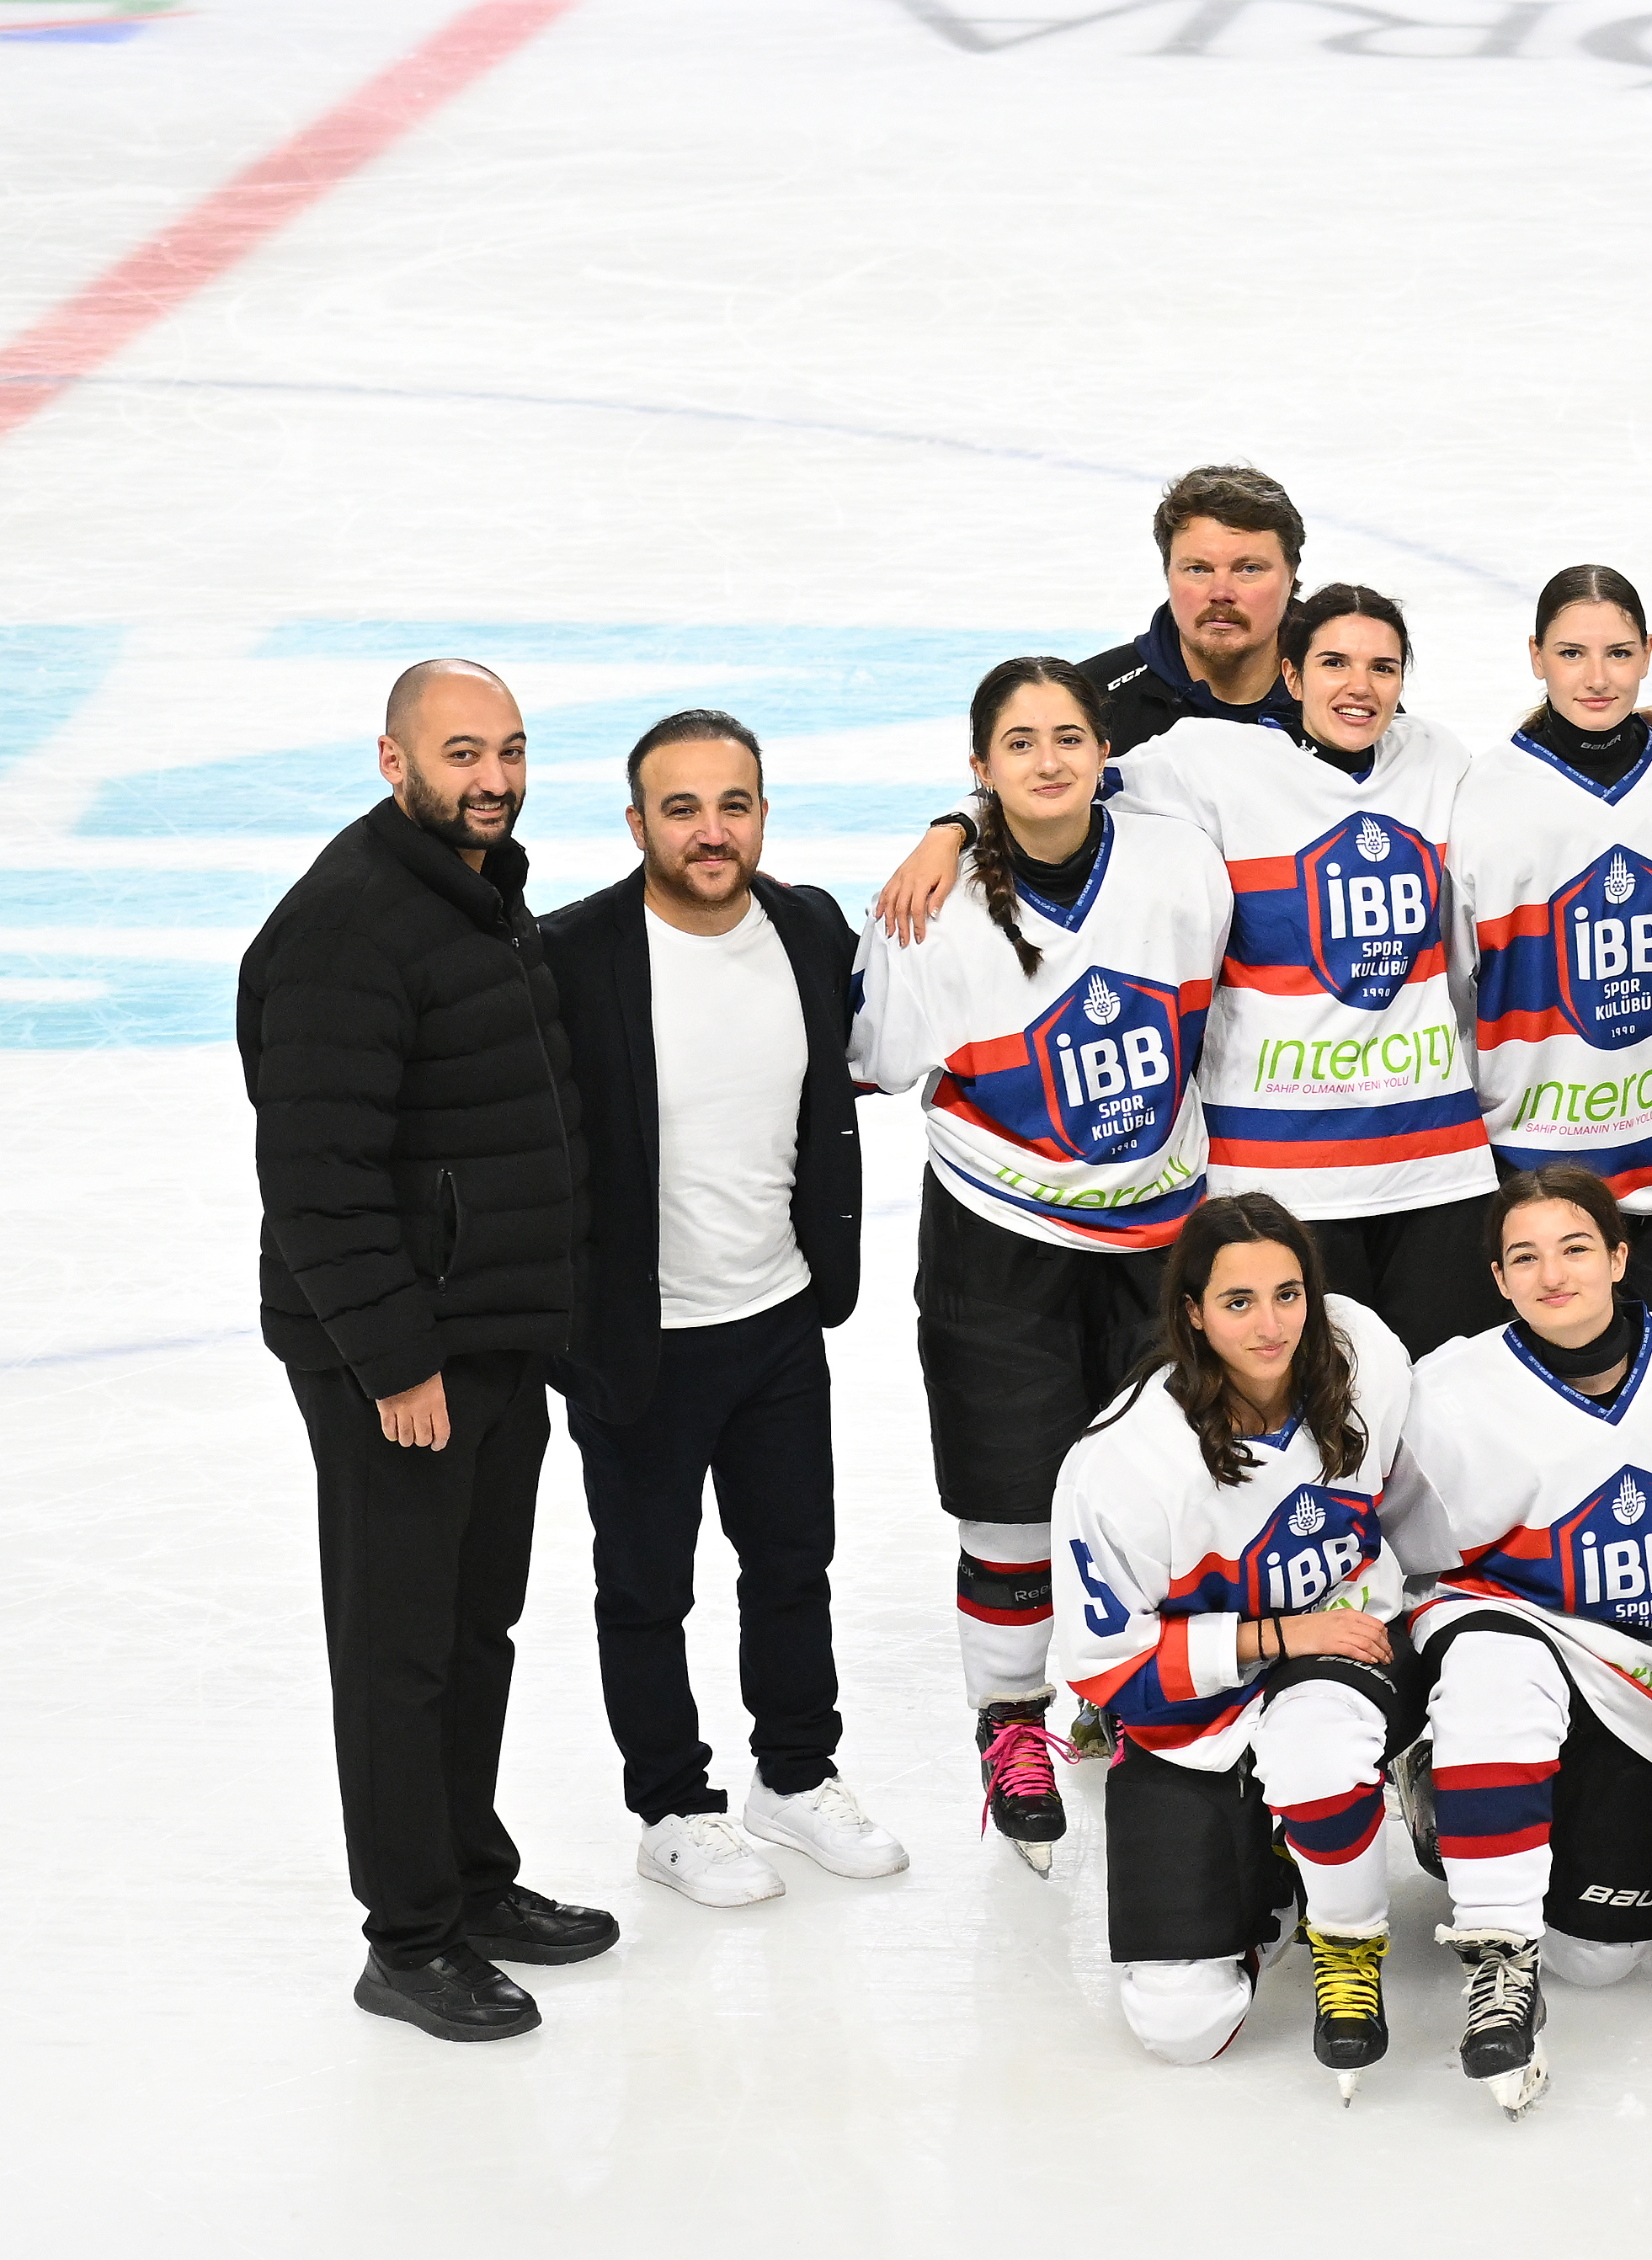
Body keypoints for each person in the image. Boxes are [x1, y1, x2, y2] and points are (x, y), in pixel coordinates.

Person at [242, 657, 614, 2040]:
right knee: (399, 1650)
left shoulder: (481, 891)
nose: (494, 778)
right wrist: (396, 1360)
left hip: (493, 1335)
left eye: (509, 750)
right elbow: (318, 1177)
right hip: (399, 1360)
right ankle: (407, 1940)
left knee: (473, 1628)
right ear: (393, 760)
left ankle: (469, 1878)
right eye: (462, 754)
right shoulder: (347, 922)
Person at [885, 587, 1504, 1351]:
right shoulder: (1207, 759)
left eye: (1383, 667)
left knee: (1446, 1401)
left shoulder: (1436, 756)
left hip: (1435, 1162)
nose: (1360, 686)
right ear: (1291, 672)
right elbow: (1058, 785)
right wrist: (953, 825)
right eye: (1334, 663)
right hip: (1279, 1174)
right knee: (1311, 1406)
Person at [850, 657, 1230, 1865]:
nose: (1049, 760)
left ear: (1103, 750)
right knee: (1009, 1500)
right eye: (1019, 743)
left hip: (1157, 1237)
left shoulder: (1178, 861)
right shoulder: (934, 905)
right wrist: (949, 840)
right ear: (980, 768)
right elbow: (879, 1059)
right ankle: (1010, 1719)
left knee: (1163, 1492)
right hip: (997, 1235)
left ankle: (1125, 1688)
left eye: (1069, 736)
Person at [1383, 1165, 1652, 2102]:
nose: (1553, 1274)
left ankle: (1457, 1804)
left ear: (1620, 1257)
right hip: (1511, 1634)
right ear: (1498, 1278)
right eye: (1524, 1257)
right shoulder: (1445, 1393)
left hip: (1644, 1684)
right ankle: (1498, 1956)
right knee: (1496, 1663)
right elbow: (1377, 1541)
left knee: (1598, 1957)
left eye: (1576, 1248)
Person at [545, 706, 889, 1908]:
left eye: (731, 805)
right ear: (636, 822)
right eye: (680, 808)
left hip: (778, 1315)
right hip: (639, 1338)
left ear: (762, 815)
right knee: (648, 1588)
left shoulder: (807, 926)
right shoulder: (571, 954)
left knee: (793, 1563)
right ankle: (672, 1809)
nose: (709, 830)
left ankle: (793, 1775)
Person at [1047, 1197, 1420, 2084]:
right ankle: (1276, 1867)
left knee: (1321, 1750)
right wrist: (1277, 1633)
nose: (1270, 1325)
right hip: (1192, 1715)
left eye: (1288, 1294)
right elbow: (1112, 1673)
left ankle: (1350, 1930)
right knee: (1182, 2025)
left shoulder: (1364, 1356)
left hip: (1345, 1652)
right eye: (1238, 1301)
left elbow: (1424, 1522)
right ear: (1192, 1312)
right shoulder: (1125, 1464)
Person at [1447, 564, 1652, 1322]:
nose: (1597, 677)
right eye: (1571, 653)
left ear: (1648, 653)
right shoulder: (1482, 794)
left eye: (1618, 653)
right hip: (1538, 1163)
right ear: (1535, 655)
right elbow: (1458, 986)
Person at [1078, 462, 1306, 753]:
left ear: (1291, 575)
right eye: (1198, 569)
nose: (1221, 593)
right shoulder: (1087, 703)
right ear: (1168, 573)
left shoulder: (1343, 700)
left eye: (1249, 569)